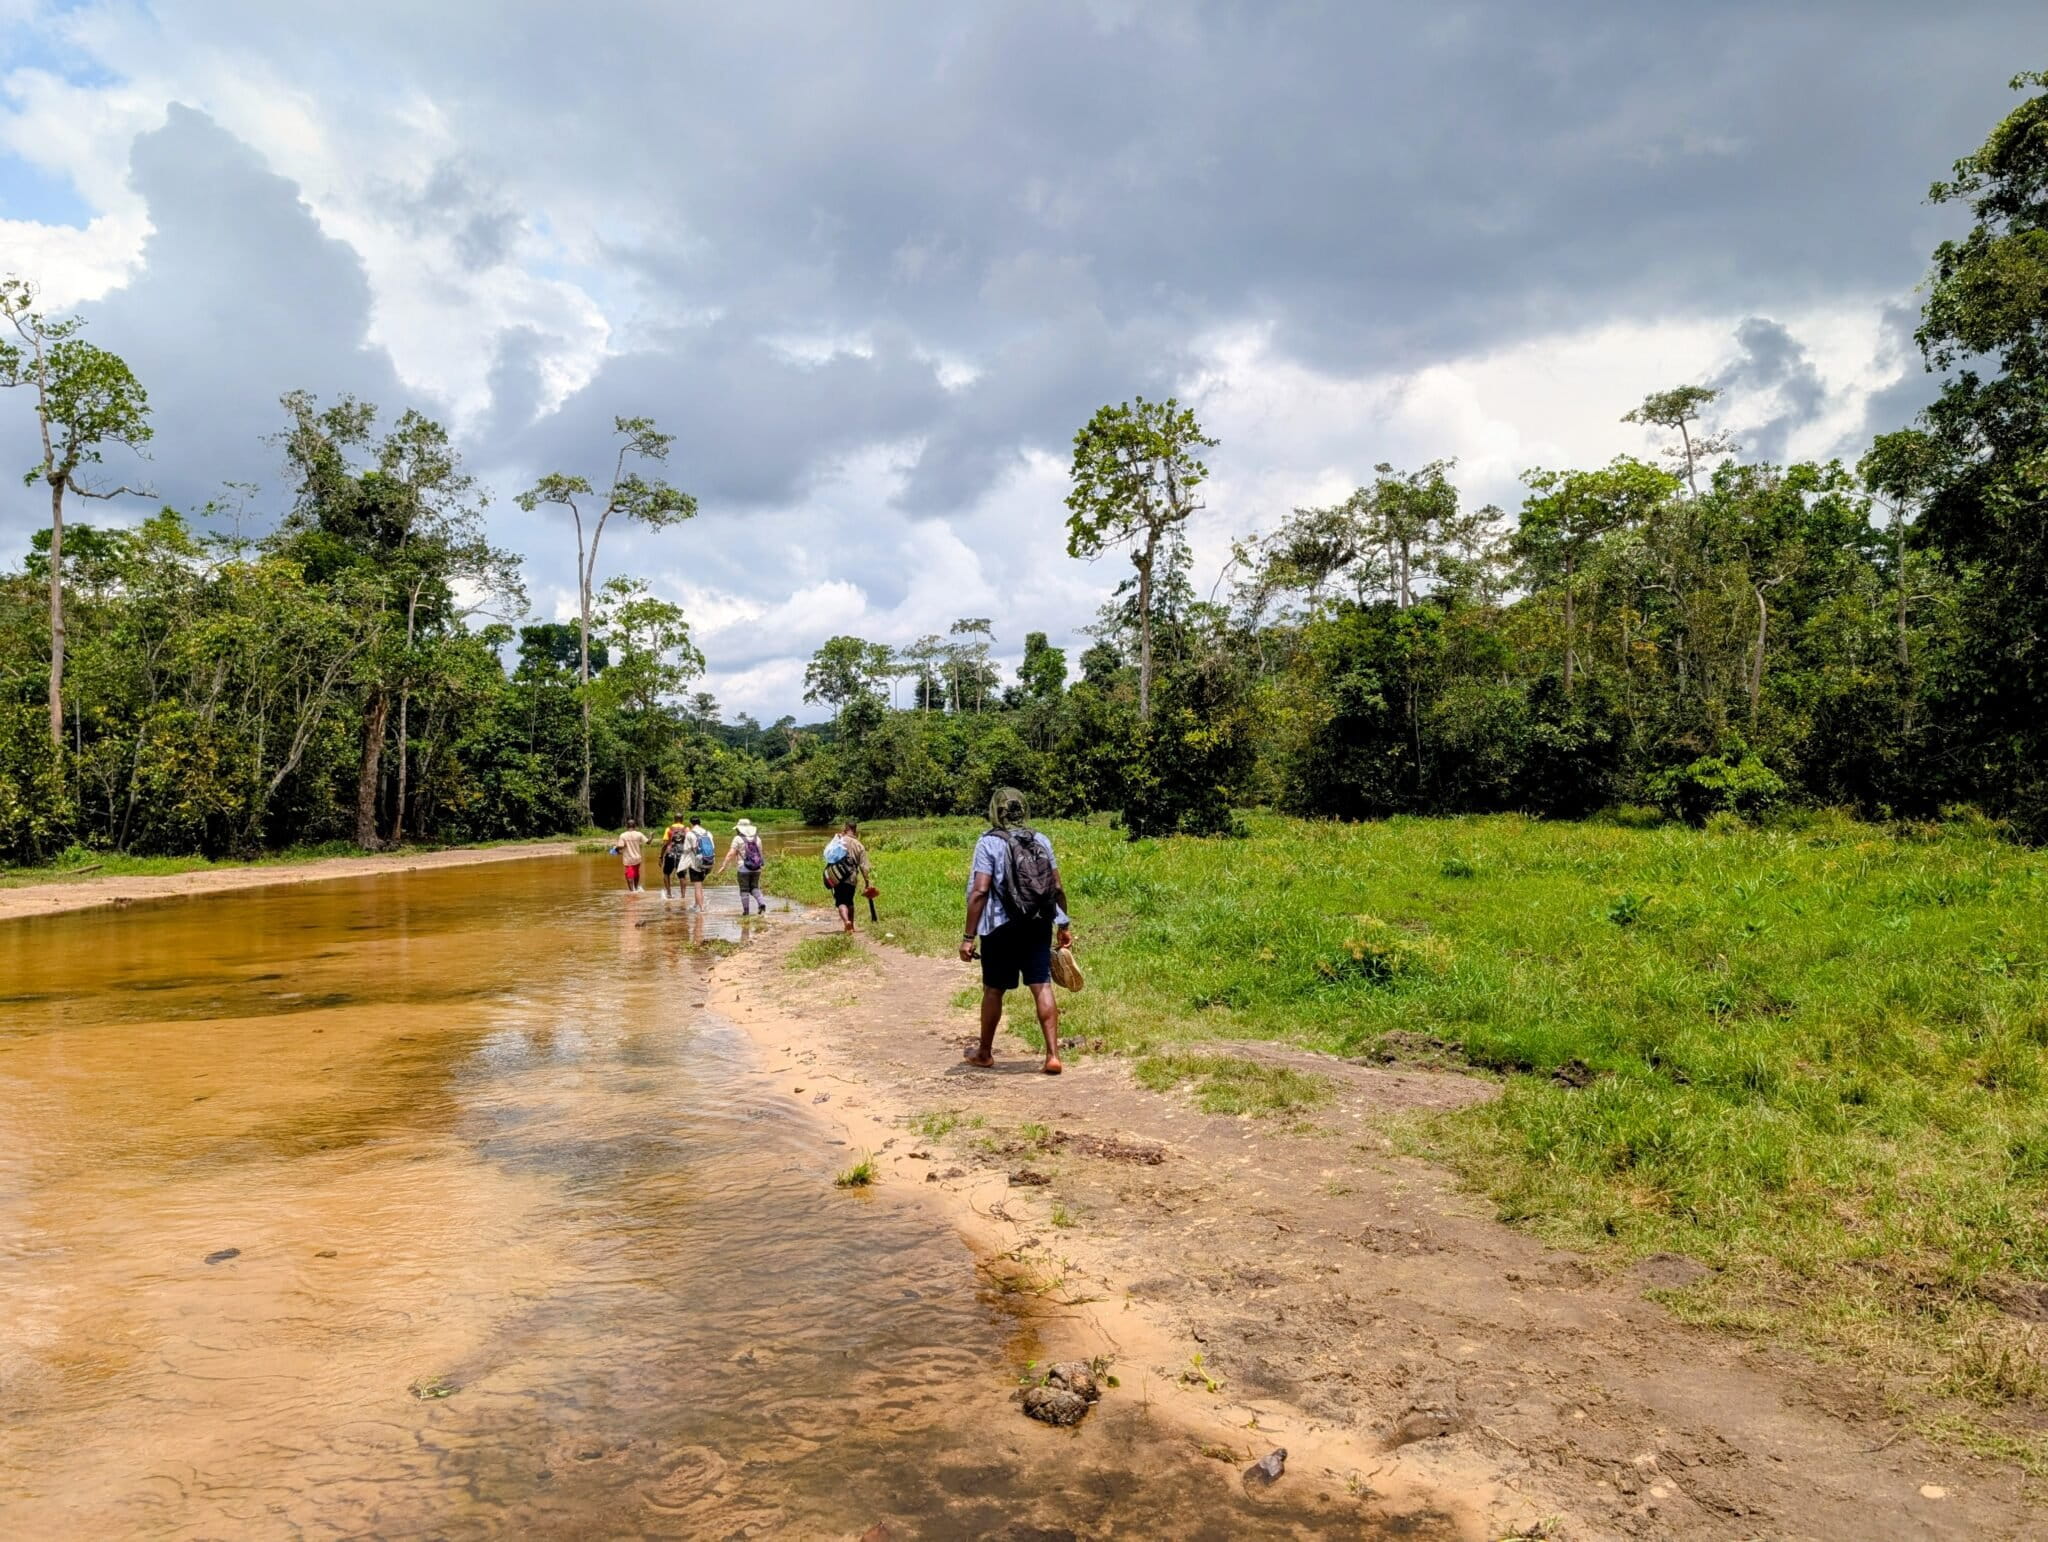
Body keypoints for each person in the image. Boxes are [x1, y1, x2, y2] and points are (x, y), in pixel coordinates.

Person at [959, 788, 1072, 1075]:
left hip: (1000, 926)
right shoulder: (1041, 839)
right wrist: (1064, 924)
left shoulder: (988, 843)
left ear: (995, 812)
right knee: (1041, 985)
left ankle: (984, 1052)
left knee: (994, 989)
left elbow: (980, 890)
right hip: (1037, 923)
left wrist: (968, 937)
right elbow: (1057, 887)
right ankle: (1052, 1055)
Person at [714, 817, 770, 916]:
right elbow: (760, 854)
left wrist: (724, 866)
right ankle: (762, 903)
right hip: (756, 868)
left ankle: (746, 912)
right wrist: (761, 865)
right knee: (755, 887)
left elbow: (731, 853)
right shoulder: (758, 839)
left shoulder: (738, 838)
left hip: (743, 868)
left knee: (744, 890)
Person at [823, 819, 871, 933]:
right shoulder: (859, 845)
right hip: (852, 876)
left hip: (838, 876)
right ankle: (852, 926)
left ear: (846, 828)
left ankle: (846, 922)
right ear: (855, 830)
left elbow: (829, 855)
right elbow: (864, 866)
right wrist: (867, 882)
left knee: (840, 901)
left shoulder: (839, 840)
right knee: (850, 901)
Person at [681, 815, 714, 910]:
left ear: (691, 824)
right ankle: (696, 904)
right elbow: (713, 848)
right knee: (700, 885)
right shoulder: (708, 833)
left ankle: (701, 908)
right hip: (708, 861)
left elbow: (686, 849)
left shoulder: (690, 834)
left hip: (696, 863)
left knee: (698, 886)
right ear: (700, 823)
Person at [659, 816, 689, 899]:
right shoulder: (686, 829)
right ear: (682, 820)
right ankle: (683, 896)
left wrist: (661, 856)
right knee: (682, 876)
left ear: (674, 820)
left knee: (666, 873)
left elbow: (665, 844)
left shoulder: (669, 829)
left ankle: (669, 894)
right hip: (682, 854)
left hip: (670, 854)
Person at [617, 823, 648, 893]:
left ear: (627, 826)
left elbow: (620, 846)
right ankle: (636, 888)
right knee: (636, 873)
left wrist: (617, 849)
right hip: (637, 858)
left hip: (628, 859)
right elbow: (648, 842)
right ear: (635, 826)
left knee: (629, 875)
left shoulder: (623, 835)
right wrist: (651, 836)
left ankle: (632, 892)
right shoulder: (639, 834)